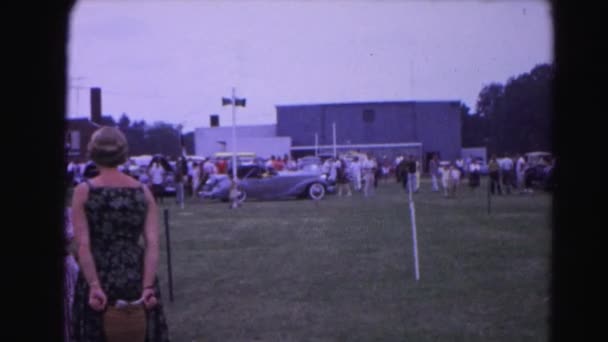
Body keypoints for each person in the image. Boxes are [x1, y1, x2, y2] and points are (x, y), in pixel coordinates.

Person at [70, 126, 169, 341]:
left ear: (93, 153)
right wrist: (148, 286)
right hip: (136, 270)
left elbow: (83, 245)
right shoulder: (143, 192)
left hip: (98, 270)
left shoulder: (84, 191)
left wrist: (94, 285)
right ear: (123, 154)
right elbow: (152, 244)